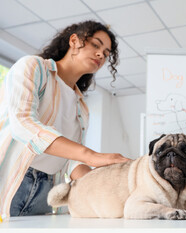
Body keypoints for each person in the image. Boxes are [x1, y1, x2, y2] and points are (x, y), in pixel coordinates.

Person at [0, 20, 131, 219]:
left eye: (106, 54)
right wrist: (90, 155)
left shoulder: (81, 106)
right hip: (13, 177)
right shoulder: (34, 67)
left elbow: (71, 161)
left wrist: (105, 184)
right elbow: (23, 124)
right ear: (74, 41)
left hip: (47, 190)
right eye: (96, 45)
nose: (100, 55)